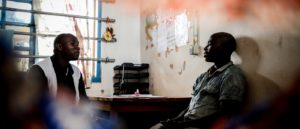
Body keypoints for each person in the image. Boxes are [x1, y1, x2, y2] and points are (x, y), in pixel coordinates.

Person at [151, 32, 247, 129]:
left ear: (225, 48)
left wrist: (181, 125)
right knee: (157, 127)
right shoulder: (204, 76)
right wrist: (174, 120)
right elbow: (192, 106)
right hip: (188, 123)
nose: (205, 48)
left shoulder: (232, 75)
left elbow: (225, 115)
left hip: (203, 126)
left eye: (209, 44)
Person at [27, 33, 89, 104]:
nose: (78, 48)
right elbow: (34, 104)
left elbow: (84, 100)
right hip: (49, 114)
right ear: (59, 46)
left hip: (73, 114)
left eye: (77, 45)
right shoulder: (39, 69)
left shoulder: (76, 72)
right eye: (72, 44)